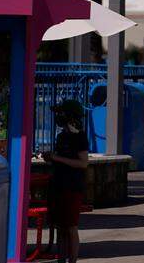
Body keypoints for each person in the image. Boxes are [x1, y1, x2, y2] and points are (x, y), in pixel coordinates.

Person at [43, 100, 89, 263]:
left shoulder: (80, 137)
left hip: (72, 186)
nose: (58, 117)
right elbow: (60, 160)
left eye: (61, 114)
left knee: (70, 226)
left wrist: (57, 158)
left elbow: (83, 163)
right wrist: (51, 159)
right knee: (60, 226)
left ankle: (73, 260)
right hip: (58, 184)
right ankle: (61, 259)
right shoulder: (61, 136)